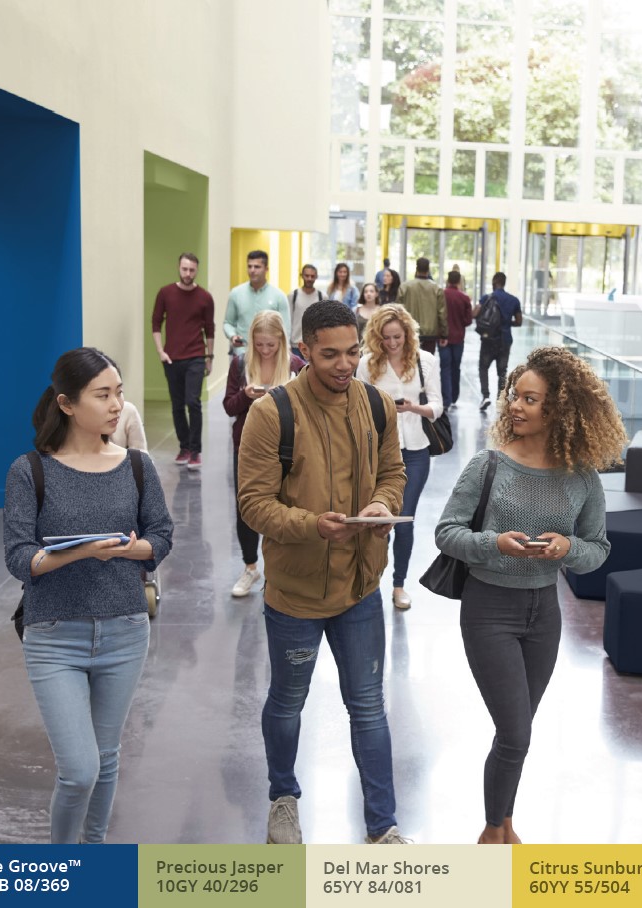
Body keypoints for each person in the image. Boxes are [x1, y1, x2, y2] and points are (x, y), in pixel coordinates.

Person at [435, 346, 628, 845]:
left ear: (559, 409)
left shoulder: (582, 477)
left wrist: (567, 549)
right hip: (489, 610)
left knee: (515, 734)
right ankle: (490, 831)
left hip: (544, 613)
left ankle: (504, 823)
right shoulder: (489, 464)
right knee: (516, 733)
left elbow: (598, 549)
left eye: (530, 399)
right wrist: (492, 543)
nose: (515, 407)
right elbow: (447, 532)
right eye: (514, 396)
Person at [238, 300, 408, 845]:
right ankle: (282, 800)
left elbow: (392, 473)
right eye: (330, 354)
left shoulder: (378, 406)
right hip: (295, 594)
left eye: (352, 351)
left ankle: (383, 827)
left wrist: (382, 505)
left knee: (368, 706)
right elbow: (253, 504)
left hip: (361, 586)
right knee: (287, 702)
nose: (344, 364)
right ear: (304, 351)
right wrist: (314, 525)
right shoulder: (272, 414)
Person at [3, 347, 174, 844]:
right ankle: (63, 865)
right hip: (54, 635)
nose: (117, 404)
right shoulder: (29, 471)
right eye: (103, 395)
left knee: (106, 756)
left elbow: (160, 537)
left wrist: (125, 550)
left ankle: (92, 854)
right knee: (79, 770)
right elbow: (19, 558)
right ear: (67, 403)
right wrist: (80, 553)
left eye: (119, 392)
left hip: (125, 629)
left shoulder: (137, 466)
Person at [357, 304, 442, 610]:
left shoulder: (426, 361)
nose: (392, 343)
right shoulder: (367, 364)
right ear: (377, 337)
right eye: (386, 338)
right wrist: (384, 410)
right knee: (379, 519)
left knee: (403, 521)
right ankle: (371, 582)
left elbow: (437, 406)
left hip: (417, 450)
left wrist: (412, 407)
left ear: (407, 333)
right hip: (378, 451)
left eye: (397, 337)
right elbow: (358, 406)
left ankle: (398, 584)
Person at [223, 311, 305, 598]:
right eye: (259, 345)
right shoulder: (240, 363)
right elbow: (229, 407)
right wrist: (246, 395)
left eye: (271, 345)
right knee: (247, 508)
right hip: (247, 446)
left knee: (283, 506)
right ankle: (250, 567)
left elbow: (310, 408)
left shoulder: (296, 365)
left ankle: (276, 570)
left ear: (281, 341)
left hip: (287, 446)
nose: (265, 350)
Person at [152, 252, 215, 470]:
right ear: (179, 268)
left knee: (193, 402)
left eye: (192, 269)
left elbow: (210, 329)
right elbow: (155, 323)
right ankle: (184, 447)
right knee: (177, 405)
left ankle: (196, 451)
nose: (188, 273)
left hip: (196, 356)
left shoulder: (205, 297)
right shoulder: (165, 293)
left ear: (197, 270)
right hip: (172, 358)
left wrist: (209, 357)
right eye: (184, 269)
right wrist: (161, 351)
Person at [224, 250, 290, 356]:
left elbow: (285, 329)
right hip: (242, 353)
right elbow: (228, 323)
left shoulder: (279, 296)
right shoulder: (235, 293)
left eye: (257, 267)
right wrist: (232, 336)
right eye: (249, 266)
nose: (252, 270)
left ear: (266, 269)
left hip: (269, 356)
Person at [475, 272, 522, 411]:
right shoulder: (514, 300)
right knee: (502, 371)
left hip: (488, 339)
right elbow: (519, 322)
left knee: (483, 367)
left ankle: (485, 396)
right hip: (505, 340)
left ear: (494, 282)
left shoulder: (486, 298)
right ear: (504, 282)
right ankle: (500, 400)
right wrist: (506, 323)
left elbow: (475, 313)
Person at [397, 257, 448, 353]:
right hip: (430, 334)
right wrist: (444, 334)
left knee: (409, 361)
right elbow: (442, 313)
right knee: (427, 364)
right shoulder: (436, 289)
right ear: (428, 270)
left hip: (409, 331)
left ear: (416, 268)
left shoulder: (405, 287)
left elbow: (397, 310)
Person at [440, 270, 473, 410]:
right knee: (456, 367)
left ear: (448, 280)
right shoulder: (464, 298)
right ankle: (454, 396)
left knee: (445, 367)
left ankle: (446, 400)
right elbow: (468, 320)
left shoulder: (441, 295)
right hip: (459, 337)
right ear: (459, 282)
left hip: (443, 338)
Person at [289, 264, 323, 356]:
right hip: (295, 344)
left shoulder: (322, 296)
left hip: (314, 344)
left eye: (312, 276)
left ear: (316, 277)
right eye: (307, 275)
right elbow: (288, 320)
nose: (309, 279)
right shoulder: (293, 295)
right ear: (301, 276)